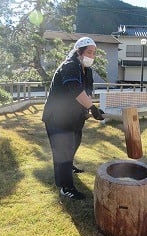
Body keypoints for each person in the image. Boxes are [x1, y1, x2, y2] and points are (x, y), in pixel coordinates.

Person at [42, 37, 104, 200]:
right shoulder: (70, 66)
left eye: (94, 52)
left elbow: (87, 92)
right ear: (79, 52)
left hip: (73, 116)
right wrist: (92, 108)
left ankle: (68, 166)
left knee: (74, 142)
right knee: (63, 150)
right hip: (57, 117)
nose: (92, 55)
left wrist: (88, 109)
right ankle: (66, 187)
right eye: (89, 52)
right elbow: (75, 89)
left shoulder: (87, 70)